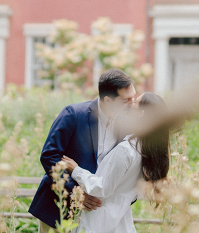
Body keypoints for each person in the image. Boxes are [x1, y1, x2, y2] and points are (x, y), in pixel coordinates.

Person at [29, 69, 136, 232]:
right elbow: (49, 156)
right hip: (59, 209)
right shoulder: (73, 114)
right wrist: (75, 192)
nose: (132, 103)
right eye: (126, 100)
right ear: (108, 100)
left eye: (133, 97)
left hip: (98, 215)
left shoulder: (128, 125)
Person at [61, 92, 170, 233]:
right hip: (120, 220)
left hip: (99, 219)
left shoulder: (127, 149)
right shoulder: (148, 150)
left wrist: (75, 170)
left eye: (135, 102)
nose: (131, 104)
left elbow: (102, 188)